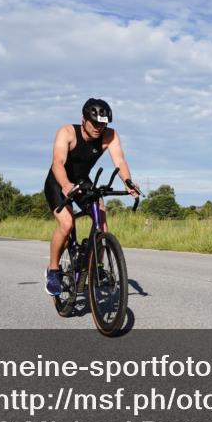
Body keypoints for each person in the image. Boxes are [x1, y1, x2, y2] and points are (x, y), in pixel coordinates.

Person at [43, 98, 141, 295]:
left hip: (82, 180)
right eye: (94, 123)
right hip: (58, 180)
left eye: (103, 124)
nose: (99, 128)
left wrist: (128, 182)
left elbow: (119, 160)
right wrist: (65, 185)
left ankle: (96, 268)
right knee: (67, 224)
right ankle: (53, 270)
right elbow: (58, 162)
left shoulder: (110, 136)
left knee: (101, 217)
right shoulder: (67, 132)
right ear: (83, 119)